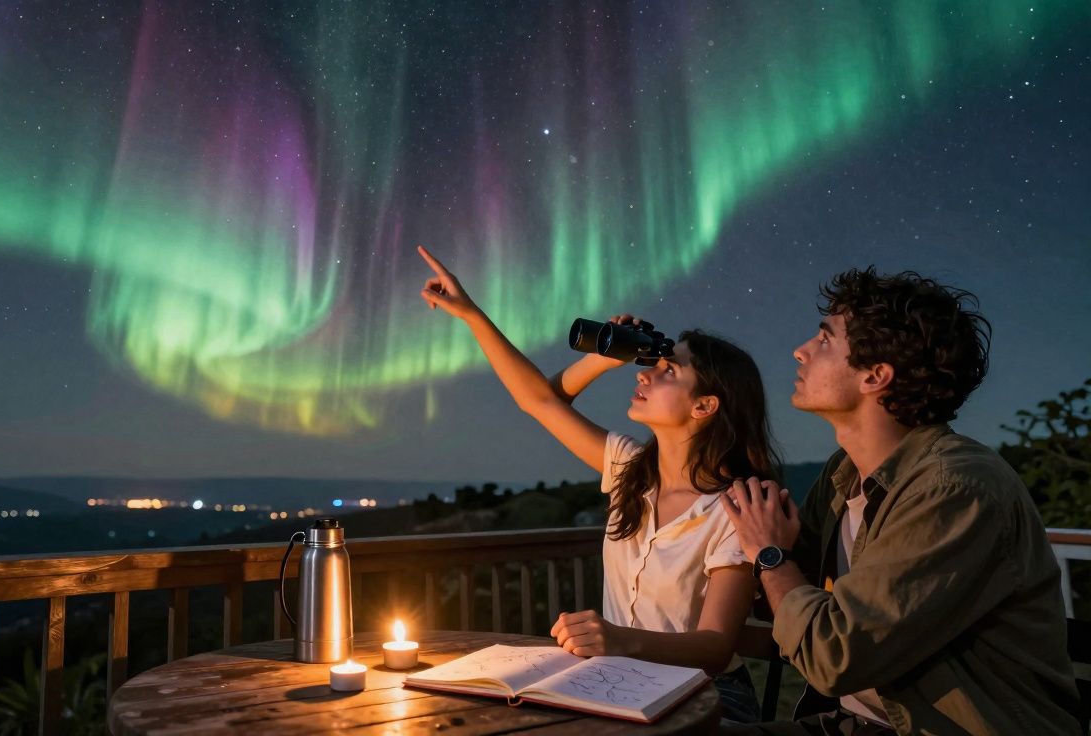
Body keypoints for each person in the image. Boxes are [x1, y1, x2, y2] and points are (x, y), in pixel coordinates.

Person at [417, 245, 782, 722]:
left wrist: (618, 638)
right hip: (620, 682)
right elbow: (539, 401)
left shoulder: (734, 508)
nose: (647, 373)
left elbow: (714, 648)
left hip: (708, 695)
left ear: (705, 407)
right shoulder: (632, 470)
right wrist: (600, 355)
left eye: (668, 371)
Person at [720, 268, 1081, 735]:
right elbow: (786, 594)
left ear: (875, 375)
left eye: (825, 340)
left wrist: (769, 555)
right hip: (859, 721)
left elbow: (833, 655)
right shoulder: (842, 472)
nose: (801, 350)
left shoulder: (954, 487)